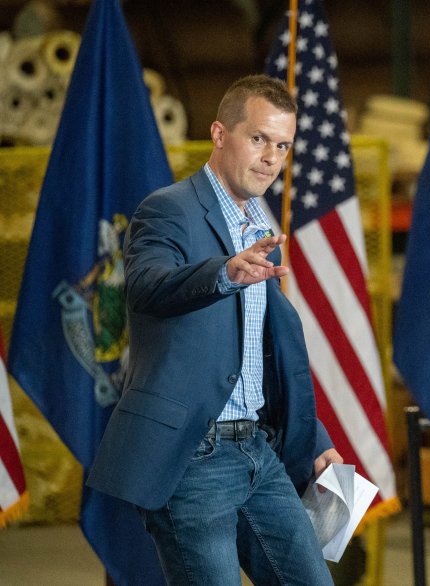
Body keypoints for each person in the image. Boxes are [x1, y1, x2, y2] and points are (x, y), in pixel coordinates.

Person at [87, 74, 342, 585]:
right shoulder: (167, 208)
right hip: (193, 457)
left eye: (283, 145)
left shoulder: (259, 224)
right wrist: (223, 273)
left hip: (258, 451)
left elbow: (260, 353)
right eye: (259, 138)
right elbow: (146, 286)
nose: (271, 158)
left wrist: (314, 437)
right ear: (220, 134)